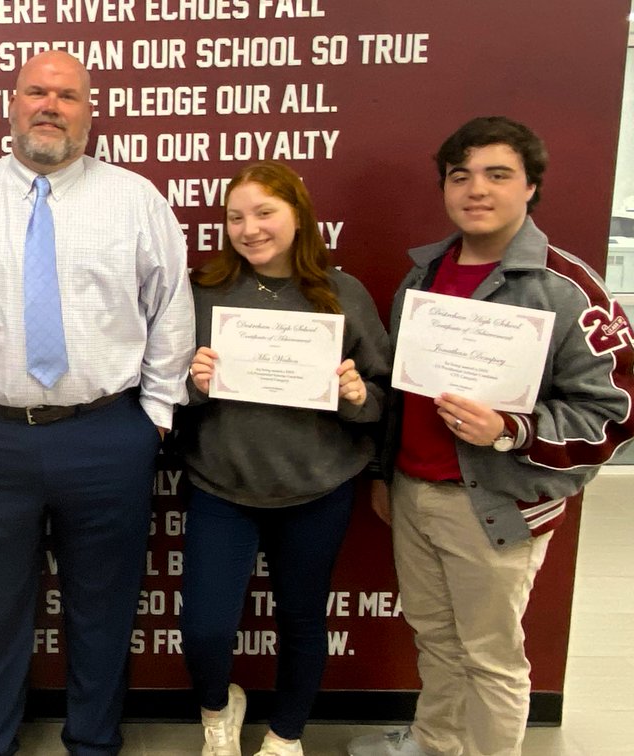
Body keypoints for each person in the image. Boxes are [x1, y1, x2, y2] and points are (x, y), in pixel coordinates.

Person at [0, 50, 194, 756]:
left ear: (89, 110)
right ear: (11, 104)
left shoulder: (136, 201)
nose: (50, 105)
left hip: (105, 435)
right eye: (36, 92)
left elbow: (170, 310)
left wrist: (155, 417)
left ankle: (94, 743)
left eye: (66, 95)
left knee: (102, 610)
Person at [347, 117, 634, 756]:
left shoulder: (566, 289)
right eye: (461, 175)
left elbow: (612, 416)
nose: (477, 189)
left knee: (491, 657)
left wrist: (514, 430)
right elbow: (399, 392)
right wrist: (384, 475)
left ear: (531, 185)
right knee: (437, 638)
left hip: (496, 505)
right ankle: (435, 742)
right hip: (415, 491)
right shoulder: (423, 276)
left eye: (498, 174)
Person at [179, 161, 390, 756]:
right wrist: (193, 383)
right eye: (235, 216)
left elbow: (383, 397)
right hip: (222, 487)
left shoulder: (343, 294)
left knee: (302, 621)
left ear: (298, 216)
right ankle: (219, 712)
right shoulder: (203, 292)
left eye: (265, 212)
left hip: (317, 489)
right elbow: (166, 393)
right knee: (205, 628)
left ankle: (286, 735)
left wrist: (355, 395)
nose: (249, 228)